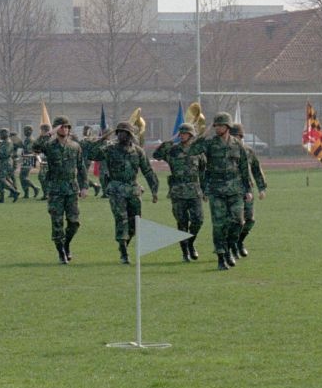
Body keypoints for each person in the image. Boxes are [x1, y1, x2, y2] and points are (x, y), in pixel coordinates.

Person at [81, 122, 159, 264]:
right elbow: (91, 154)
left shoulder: (138, 151)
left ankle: (124, 244)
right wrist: (101, 139)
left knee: (135, 223)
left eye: (124, 132)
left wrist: (154, 190)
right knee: (121, 219)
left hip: (133, 190)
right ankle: (123, 252)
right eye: (119, 132)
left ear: (130, 135)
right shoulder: (110, 149)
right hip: (116, 189)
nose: (121, 135)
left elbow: (148, 170)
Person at [187, 111, 253, 270]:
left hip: (235, 190)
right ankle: (221, 256)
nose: (217, 128)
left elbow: (244, 168)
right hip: (216, 190)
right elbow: (192, 150)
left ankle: (231, 246)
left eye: (220, 125)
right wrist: (205, 133)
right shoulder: (210, 143)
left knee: (238, 222)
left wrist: (248, 189)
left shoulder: (238, 145)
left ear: (228, 127)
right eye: (216, 125)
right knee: (219, 225)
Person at [32, 116, 90, 263]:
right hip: (55, 189)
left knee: (74, 223)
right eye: (61, 127)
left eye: (67, 127)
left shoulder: (75, 146)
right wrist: (50, 133)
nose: (65, 129)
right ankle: (61, 253)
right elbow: (35, 148)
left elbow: (81, 168)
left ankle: (66, 245)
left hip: (71, 189)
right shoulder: (50, 146)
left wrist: (84, 186)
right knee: (57, 223)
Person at [153, 122, 205, 262]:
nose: (182, 136)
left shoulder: (198, 151)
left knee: (198, 220)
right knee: (182, 223)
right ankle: (185, 253)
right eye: (181, 133)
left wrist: (205, 191)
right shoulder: (173, 150)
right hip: (178, 192)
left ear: (191, 135)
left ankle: (191, 243)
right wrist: (170, 140)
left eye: (185, 133)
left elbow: (203, 172)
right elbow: (156, 154)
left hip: (194, 191)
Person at [230, 123, 268, 258]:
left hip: (247, 191)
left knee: (250, 220)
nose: (236, 139)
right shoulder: (225, 151)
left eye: (238, 136)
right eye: (233, 136)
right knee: (236, 221)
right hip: (231, 190)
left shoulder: (248, 151)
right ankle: (232, 245)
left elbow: (257, 169)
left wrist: (262, 188)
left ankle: (239, 242)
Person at [0, 128, 21, 202]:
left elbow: (5, 154)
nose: (0, 135)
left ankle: (14, 192)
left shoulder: (8, 142)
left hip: (6, 163)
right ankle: (1, 198)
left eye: (1, 133)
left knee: (1, 179)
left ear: (6, 134)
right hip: (2, 162)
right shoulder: (4, 142)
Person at [16, 127, 39, 199]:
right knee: (22, 177)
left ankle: (35, 188)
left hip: (29, 158)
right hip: (26, 158)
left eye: (27, 131)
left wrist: (21, 145)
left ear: (31, 131)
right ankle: (26, 193)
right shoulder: (27, 139)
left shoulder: (31, 140)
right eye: (24, 131)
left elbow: (28, 149)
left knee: (24, 177)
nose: (25, 132)